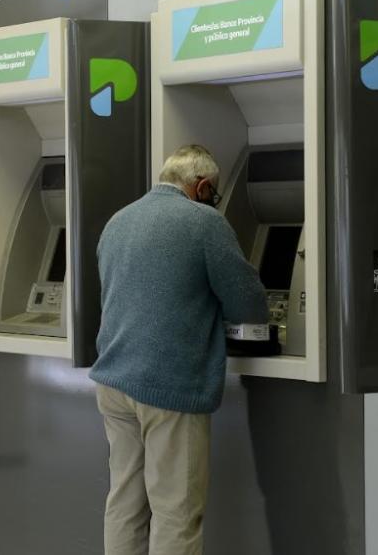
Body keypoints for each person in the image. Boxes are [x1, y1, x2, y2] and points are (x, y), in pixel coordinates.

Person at [89, 144, 269, 555]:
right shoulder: (204, 222)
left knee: (125, 503)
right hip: (168, 384)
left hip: (113, 379)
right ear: (202, 187)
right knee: (176, 511)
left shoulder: (119, 220)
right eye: (213, 195)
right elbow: (249, 303)